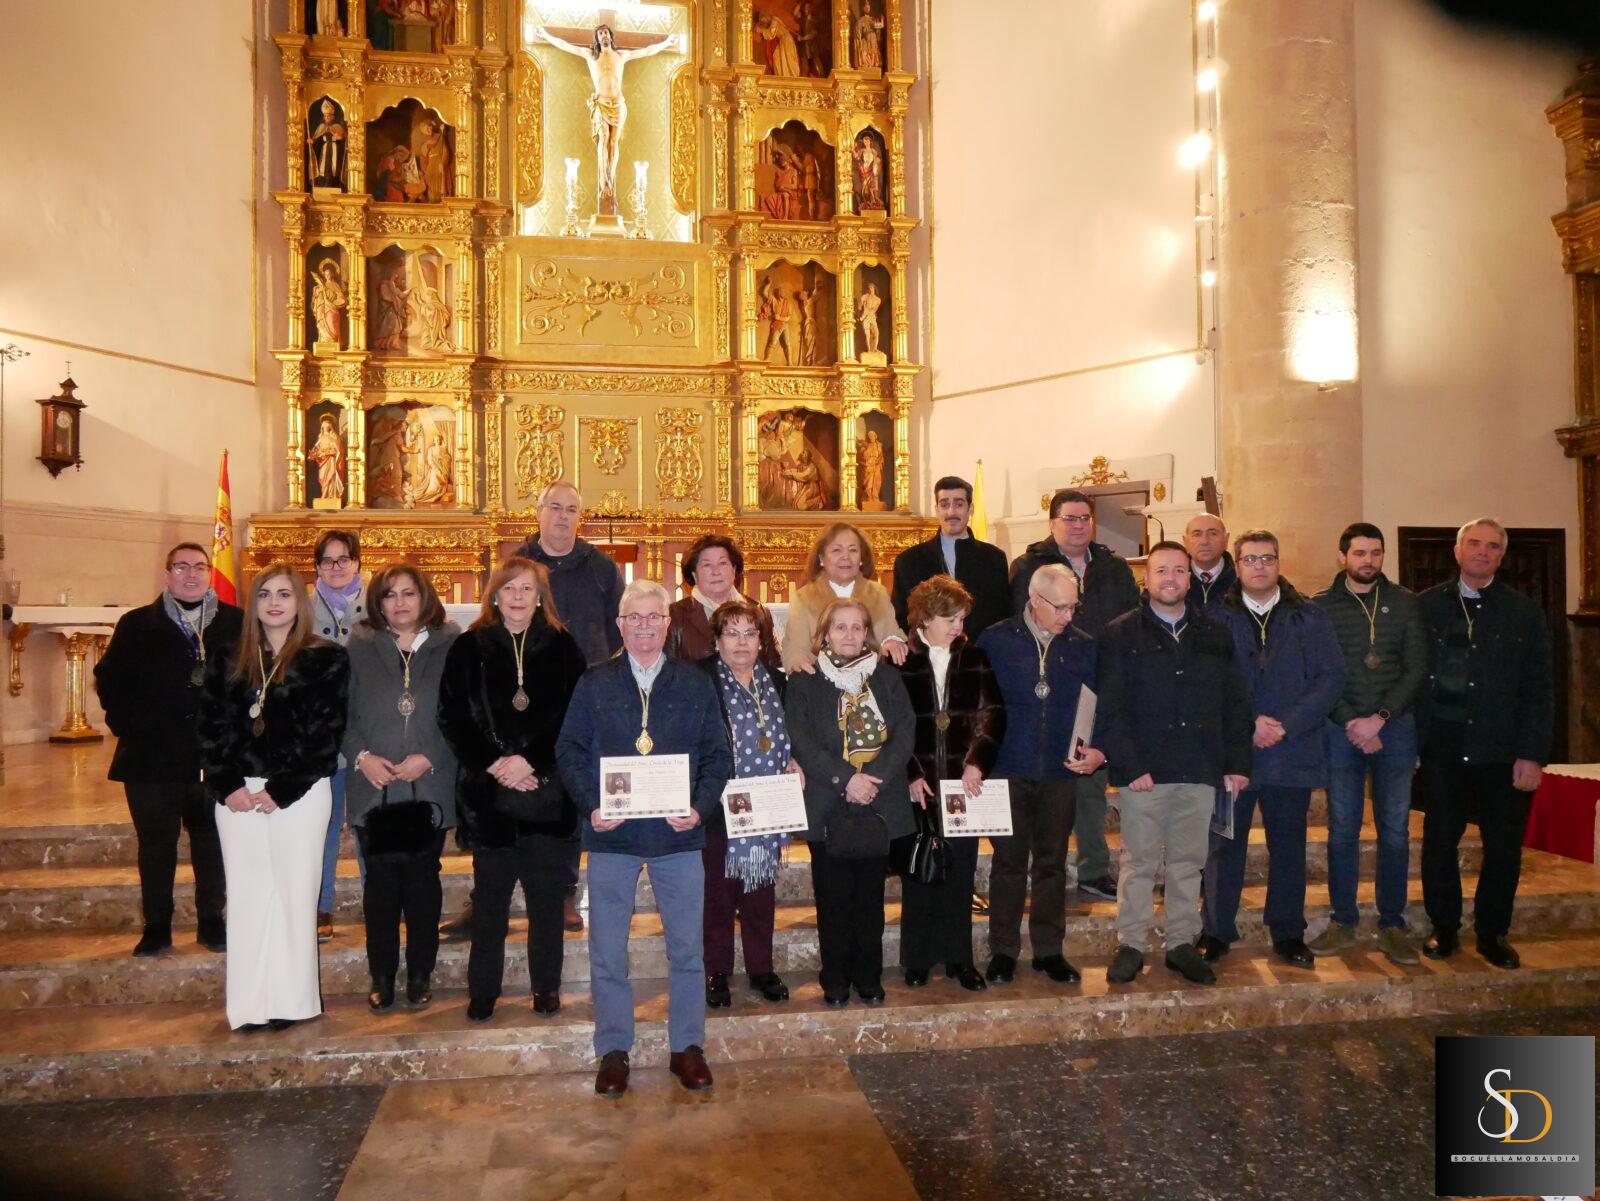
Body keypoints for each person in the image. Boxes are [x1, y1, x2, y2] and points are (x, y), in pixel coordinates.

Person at [556, 580, 732, 1098]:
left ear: (668, 623)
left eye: (654, 618)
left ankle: (687, 1046)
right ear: (620, 625)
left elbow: (718, 756)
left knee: (686, 948)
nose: (645, 627)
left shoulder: (695, 683)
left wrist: (699, 809)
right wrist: (592, 803)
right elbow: (569, 751)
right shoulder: (594, 683)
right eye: (635, 619)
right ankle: (613, 1049)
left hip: (678, 837)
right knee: (608, 948)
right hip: (613, 835)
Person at [197, 563, 349, 1032]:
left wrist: (282, 790)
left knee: (292, 895)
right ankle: (248, 1005)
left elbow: (325, 735)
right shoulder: (226, 657)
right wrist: (228, 786)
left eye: (284, 594)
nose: (275, 603)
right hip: (238, 795)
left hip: (298, 794)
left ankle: (291, 1001)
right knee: (246, 896)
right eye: (265, 594)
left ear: (299, 603)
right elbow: (211, 729)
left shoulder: (326, 658)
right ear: (253, 604)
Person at [1098, 542, 1252, 987]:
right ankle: (1131, 942)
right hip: (1144, 772)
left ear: (1191, 578)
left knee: (1189, 862)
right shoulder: (1120, 633)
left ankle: (1181, 942)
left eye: (1179, 571)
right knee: (1139, 861)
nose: (1170, 578)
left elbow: (1235, 702)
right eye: (1161, 570)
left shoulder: (1215, 633)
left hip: (1200, 767)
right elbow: (1111, 706)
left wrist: (1236, 763)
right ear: (1147, 578)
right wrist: (1130, 764)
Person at [440, 557, 587, 1021]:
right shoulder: (469, 647)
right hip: (490, 798)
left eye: (527, 589)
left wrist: (531, 761)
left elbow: (575, 715)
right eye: (509, 589)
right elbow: (453, 717)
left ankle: (546, 987)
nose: (518, 598)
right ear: (495, 595)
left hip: (547, 792)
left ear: (540, 596)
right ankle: (484, 990)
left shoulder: (563, 647)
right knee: (490, 905)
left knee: (546, 903)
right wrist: (496, 764)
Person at [1198, 531, 1345, 970]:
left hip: (1291, 751)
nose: (1259, 565)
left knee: (1289, 847)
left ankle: (1287, 932)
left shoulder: (1310, 617)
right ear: (1236, 565)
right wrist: (1249, 725)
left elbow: (1331, 678)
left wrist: (1286, 724)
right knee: (1224, 846)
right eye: (1250, 559)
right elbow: (1205, 684)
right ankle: (1216, 930)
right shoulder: (1213, 618)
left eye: (1267, 558)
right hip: (1233, 755)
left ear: (1279, 563)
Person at [94, 543, 243, 958]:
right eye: (181, 567)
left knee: (210, 841)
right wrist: (129, 726)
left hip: (213, 760)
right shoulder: (138, 623)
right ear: (167, 575)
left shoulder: (234, 622)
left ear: (210, 573)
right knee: (155, 845)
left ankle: (212, 921)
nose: (191, 574)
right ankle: (156, 926)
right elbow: (109, 682)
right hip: (151, 759)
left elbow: (251, 679)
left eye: (199, 566)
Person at [1417, 519, 1553, 970]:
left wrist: (1532, 753)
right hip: (1442, 747)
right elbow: (1412, 679)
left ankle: (1493, 932)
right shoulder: (1426, 607)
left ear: (1501, 556)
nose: (1482, 551)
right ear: (1457, 552)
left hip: (1502, 749)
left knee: (1503, 845)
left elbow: (1539, 688)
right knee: (1440, 839)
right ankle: (1445, 926)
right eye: (1474, 543)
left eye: (1492, 546)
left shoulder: (1523, 611)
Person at [1009, 488, 1140, 903]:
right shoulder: (1029, 565)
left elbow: (1132, 620)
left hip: (1099, 681)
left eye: (1085, 517)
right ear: (1052, 523)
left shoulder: (1114, 568)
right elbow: (1017, 623)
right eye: (1070, 518)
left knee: (1090, 782)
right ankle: (1035, 866)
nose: (1078, 524)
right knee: (1040, 787)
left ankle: (1093, 870)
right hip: (1046, 686)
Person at [785, 598, 915, 1006]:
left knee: (870, 899)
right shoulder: (804, 681)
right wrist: (846, 779)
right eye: (839, 628)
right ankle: (836, 978)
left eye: (856, 627)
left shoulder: (886, 677)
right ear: (824, 634)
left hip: (878, 801)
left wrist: (872, 779)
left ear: (867, 634)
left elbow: (905, 730)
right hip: (828, 802)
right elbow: (801, 739)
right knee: (833, 898)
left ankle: (869, 976)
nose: (848, 635)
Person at [975, 565, 1102, 984]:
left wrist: (1098, 750)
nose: (1069, 616)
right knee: (1009, 863)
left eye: (1073, 607)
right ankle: (1004, 951)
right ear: (1035, 601)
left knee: (1051, 862)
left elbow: (1100, 706)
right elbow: (977, 705)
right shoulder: (996, 640)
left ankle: (1049, 950)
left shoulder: (1083, 646)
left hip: (1060, 772)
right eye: (1061, 607)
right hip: (1008, 769)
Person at [509, 480, 625, 934]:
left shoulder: (600, 567)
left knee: (573, 794)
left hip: (583, 697)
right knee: (520, 787)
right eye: (553, 507)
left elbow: (618, 629)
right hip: (525, 698)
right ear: (537, 513)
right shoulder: (517, 564)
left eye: (570, 509)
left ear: (582, 516)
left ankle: (562, 893)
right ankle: (494, 891)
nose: (561, 516)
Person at [1310, 522, 1428, 965]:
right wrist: (1352, 722)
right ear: (1342, 557)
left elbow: (1416, 669)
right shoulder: (1320, 607)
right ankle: (1343, 920)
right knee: (1342, 828)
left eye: (1376, 553)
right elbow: (1320, 671)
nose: (1368, 561)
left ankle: (1392, 923)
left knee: (1395, 830)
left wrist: (1378, 720)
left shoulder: (1405, 604)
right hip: (1340, 731)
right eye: (1359, 553)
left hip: (1394, 729)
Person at [343, 563, 457, 1013]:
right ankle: (382, 975)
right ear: (378, 603)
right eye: (390, 595)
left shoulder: (451, 644)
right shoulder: (359, 646)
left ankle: (420, 973)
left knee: (424, 886)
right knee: (381, 890)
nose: (400, 603)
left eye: (409, 593)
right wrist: (361, 757)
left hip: (428, 786)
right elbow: (343, 714)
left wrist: (429, 755)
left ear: (424, 597)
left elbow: (460, 711)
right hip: (375, 786)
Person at [900, 577, 1005, 991]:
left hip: (964, 786)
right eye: (950, 618)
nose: (958, 626)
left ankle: (960, 959)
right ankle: (918, 959)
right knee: (920, 871)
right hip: (919, 786)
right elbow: (891, 725)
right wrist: (910, 772)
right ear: (925, 618)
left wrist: (977, 764)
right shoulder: (901, 660)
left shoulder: (975, 656)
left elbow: (992, 715)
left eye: (962, 618)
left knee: (960, 873)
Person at [700, 600, 801, 1007]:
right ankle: (717, 972)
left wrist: (795, 759)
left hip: (769, 807)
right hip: (720, 807)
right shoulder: (700, 680)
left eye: (750, 633)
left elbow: (794, 733)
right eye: (731, 633)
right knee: (718, 896)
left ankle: (762, 968)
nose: (741, 642)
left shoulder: (778, 682)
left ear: (762, 640)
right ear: (717, 640)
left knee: (761, 896)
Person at [530, 23, 682, 214]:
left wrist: (667, 42)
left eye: (605, 33)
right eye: (600, 33)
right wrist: (545, 35)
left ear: (610, 36)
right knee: (603, 139)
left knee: (613, 144)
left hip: (618, 105)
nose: (603, 35)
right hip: (600, 104)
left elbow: (647, 51)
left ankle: (610, 176)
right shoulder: (590, 56)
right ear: (597, 38)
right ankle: (605, 183)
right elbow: (565, 45)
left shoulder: (621, 56)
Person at [309, 530, 366, 943]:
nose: (336, 566)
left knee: (366, 825)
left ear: (357, 563)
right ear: (317, 567)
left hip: (366, 734)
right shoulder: (301, 607)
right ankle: (321, 905)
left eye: (343, 559)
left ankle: (376, 899)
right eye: (328, 560)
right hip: (321, 738)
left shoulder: (379, 604)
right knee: (323, 827)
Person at [891, 474, 1011, 637]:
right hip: (928, 656)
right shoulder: (909, 561)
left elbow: (1002, 614)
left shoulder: (994, 558)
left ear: (971, 509)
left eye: (959, 504)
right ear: (937, 510)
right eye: (944, 504)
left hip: (980, 655)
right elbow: (902, 617)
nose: (951, 511)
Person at [780, 521, 908, 672]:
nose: (846, 557)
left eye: (853, 550)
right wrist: (799, 664)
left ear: (861, 558)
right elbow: (795, 647)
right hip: (821, 683)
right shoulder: (803, 598)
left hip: (873, 683)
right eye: (836, 550)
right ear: (821, 558)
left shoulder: (878, 594)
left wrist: (892, 641)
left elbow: (891, 633)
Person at [665, 534, 780, 668]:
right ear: (694, 575)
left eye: (723, 563)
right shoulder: (675, 615)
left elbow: (773, 666)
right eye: (707, 565)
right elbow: (667, 672)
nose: (716, 571)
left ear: (734, 569)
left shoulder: (759, 612)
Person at [1183, 512, 1235, 612]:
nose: (1204, 541)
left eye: (1213, 533)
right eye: (1197, 534)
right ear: (1185, 542)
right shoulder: (1174, 581)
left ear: (1226, 539)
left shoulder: (1241, 579)